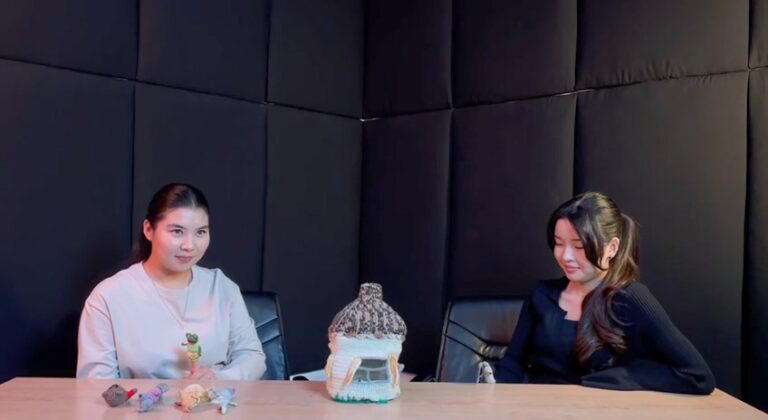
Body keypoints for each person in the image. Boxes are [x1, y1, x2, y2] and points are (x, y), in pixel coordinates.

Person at [494, 192, 715, 394]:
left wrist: (615, 378)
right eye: (559, 243)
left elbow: (697, 376)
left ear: (612, 247)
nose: (565, 256)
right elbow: (512, 363)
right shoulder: (542, 294)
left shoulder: (630, 298)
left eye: (579, 246)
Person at [77, 183, 266, 380]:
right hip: (139, 400)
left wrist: (218, 378)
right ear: (148, 229)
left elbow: (252, 356)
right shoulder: (108, 296)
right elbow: (96, 383)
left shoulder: (221, 287)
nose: (189, 245)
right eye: (177, 231)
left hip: (212, 399)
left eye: (200, 232)